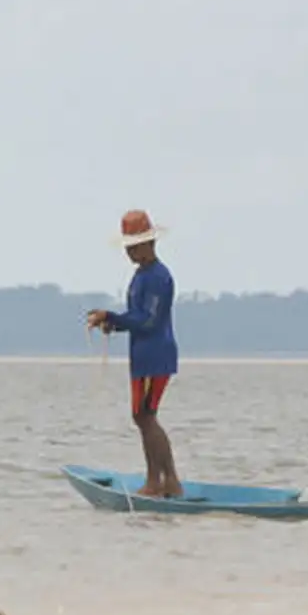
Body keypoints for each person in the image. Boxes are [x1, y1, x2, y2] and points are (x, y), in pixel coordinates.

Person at [86, 209, 182, 498]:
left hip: (156, 355)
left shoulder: (158, 277)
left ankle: (164, 481)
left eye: (134, 245)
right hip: (142, 355)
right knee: (142, 416)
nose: (129, 251)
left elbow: (149, 320)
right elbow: (136, 317)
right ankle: (161, 481)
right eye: (128, 246)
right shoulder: (141, 275)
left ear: (148, 243)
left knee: (146, 416)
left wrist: (113, 317)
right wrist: (113, 324)